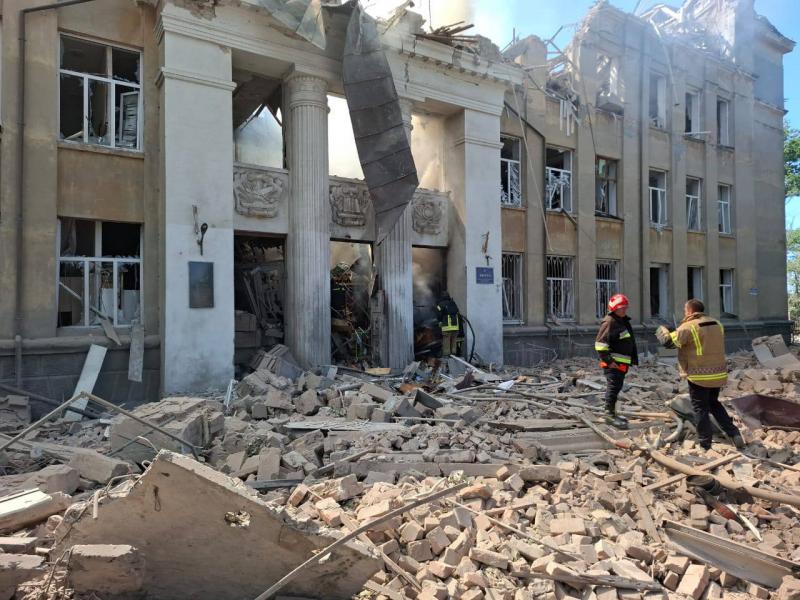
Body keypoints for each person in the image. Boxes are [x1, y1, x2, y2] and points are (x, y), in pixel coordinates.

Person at [656, 298, 745, 451]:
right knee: (714, 403)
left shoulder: (689, 326)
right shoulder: (717, 324)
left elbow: (668, 342)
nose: (684, 313)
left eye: (685, 311)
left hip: (699, 375)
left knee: (700, 408)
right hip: (718, 372)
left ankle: (705, 443)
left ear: (690, 310)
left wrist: (662, 329)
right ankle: (734, 433)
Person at [595, 293, 638, 429]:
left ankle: (612, 413)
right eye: (621, 308)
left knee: (617, 387)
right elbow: (600, 344)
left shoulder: (621, 321)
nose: (624, 310)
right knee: (613, 387)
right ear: (614, 308)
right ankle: (608, 415)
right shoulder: (610, 322)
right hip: (613, 364)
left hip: (621, 363)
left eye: (625, 307)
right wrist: (608, 361)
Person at [436, 292, 461, 357]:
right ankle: (454, 354)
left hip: (447, 326)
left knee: (446, 340)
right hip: (455, 326)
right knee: (454, 340)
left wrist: (439, 321)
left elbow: (438, 314)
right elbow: (457, 311)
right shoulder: (453, 303)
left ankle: (446, 355)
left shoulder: (440, 304)